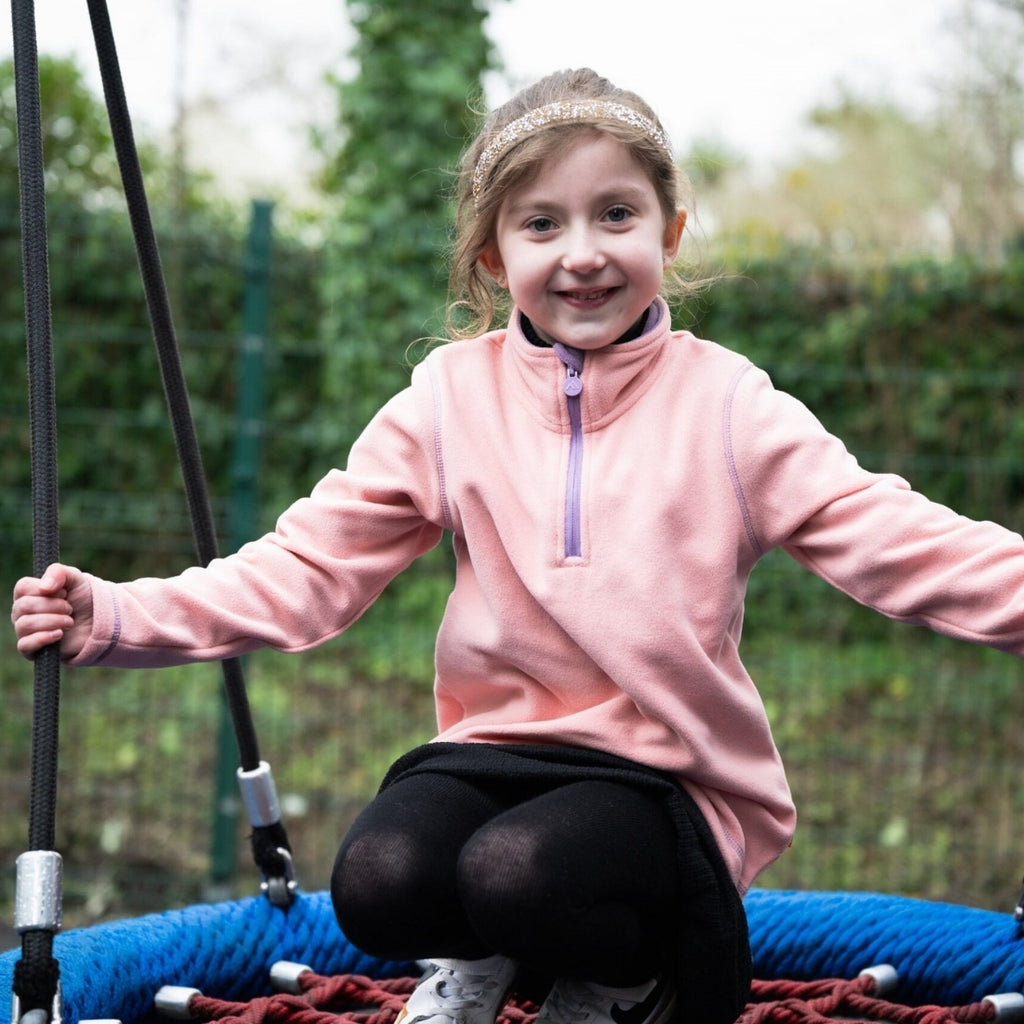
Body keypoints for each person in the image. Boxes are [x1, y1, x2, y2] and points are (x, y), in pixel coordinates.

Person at [11, 66, 1024, 1024]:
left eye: (616, 214)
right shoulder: (451, 401)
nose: (582, 253)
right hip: (495, 758)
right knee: (379, 879)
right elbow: (308, 567)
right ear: (495, 256)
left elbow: (895, 539)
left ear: (669, 231)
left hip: (662, 783)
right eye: (542, 223)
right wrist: (121, 614)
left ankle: (630, 980)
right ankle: (486, 958)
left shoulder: (728, 408)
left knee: (519, 871)